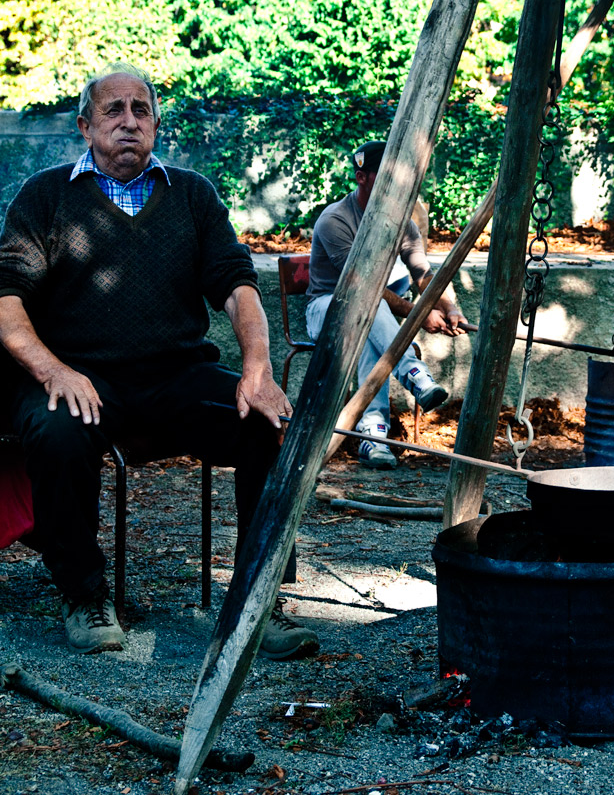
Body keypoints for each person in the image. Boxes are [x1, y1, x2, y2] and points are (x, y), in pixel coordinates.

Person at [0, 63, 319, 659]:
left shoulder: (192, 195)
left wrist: (257, 369)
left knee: (270, 423)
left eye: (140, 110)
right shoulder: (44, 196)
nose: (128, 122)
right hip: (77, 375)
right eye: (113, 111)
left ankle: (257, 599)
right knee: (55, 429)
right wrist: (53, 371)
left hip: (173, 376)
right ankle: (84, 595)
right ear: (85, 126)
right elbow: (6, 300)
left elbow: (236, 285)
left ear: (156, 124)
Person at [306, 140, 467, 468]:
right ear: (361, 177)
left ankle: (374, 435)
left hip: (367, 316)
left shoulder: (403, 224)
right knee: (365, 305)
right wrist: (418, 316)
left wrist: (450, 308)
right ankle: (413, 374)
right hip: (325, 308)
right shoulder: (335, 220)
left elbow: (424, 275)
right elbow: (363, 285)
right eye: (386, 177)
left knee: (366, 325)